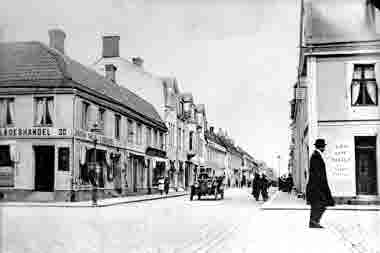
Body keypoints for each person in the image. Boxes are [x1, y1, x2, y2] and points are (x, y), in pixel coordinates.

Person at [306, 138, 335, 228]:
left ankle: (313, 221)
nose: (325, 148)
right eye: (324, 147)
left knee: (317, 204)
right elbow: (318, 174)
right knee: (321, 203)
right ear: (321, 147)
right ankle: (314, 221)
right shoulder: (316, 156)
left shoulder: (316, 155)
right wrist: (322, 186)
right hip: (316, 186)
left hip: (316, 185)